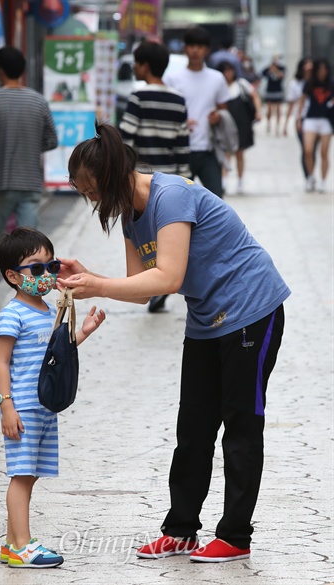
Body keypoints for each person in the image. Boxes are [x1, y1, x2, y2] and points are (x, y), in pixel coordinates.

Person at [57, 121, 291, 563]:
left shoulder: (172, 196)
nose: (90, 200)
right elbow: (144, 289)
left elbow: (169, 276)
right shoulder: (130, 213)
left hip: (251, 309)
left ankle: (236, 537)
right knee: (194, 428)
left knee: (240, 425)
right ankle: (181, 530)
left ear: (109, 178)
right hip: (207, 319)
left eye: (91, 191)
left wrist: (97, 284)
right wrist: (86, 274)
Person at [0, 227, 105, 568]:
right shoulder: (12, 314)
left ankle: (14, 544)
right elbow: (0, 361)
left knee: (31, 473)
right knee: (22, 474)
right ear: (14, 276)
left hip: (44, 406)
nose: (46, 275)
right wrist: (6, 406)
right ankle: (22, 546)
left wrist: (82, 332)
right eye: (36, 268)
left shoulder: (47, 311)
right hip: (23, 407)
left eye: (51, 266)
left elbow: (56, 356)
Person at [0, 46, 58, 310]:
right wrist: (30, 145)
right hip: (30, 183)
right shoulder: (39, 101)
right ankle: (33, 295)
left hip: (0, 183)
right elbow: (52, 140)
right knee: (31, 245)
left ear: (0, 71)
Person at [120, 40, 190, 313]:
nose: (135, 68)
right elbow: (183, 145)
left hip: (144, 180)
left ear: (144, 66)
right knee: (171, 237)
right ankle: (164, 283)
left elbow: (125, 140)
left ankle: (157, 284)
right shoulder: (177, 99)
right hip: (172, 181)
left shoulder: (138, 97)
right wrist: (185, 180)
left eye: (137, 63)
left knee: (149, 240)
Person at [163, 26, 231, 198]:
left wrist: (217, 117)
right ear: (185, 48)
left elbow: (224, 110)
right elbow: (166, 114)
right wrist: (181, 123)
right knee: (178, 202)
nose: (195, 50)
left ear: (207, 50)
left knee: (216, 201)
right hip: (180, 151)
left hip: (209, 150)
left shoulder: (217, 78)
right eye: (191, 45)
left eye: (200, 46)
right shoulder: (172, 79)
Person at [217, 61, 262, 194]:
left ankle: (240, 180)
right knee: (225, 153)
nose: (228, 74)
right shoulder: (219, 85)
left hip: (241, 123)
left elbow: (255, 95)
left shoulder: (241, 84)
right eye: (225, 71)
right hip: (225, 124)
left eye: (230, 70)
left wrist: (258, 111)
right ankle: (224, 179)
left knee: (240, 153)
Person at [297, 58, 334, 193]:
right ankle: (311, 176)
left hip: (326, 120)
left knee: (324, 152)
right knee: (308, 150)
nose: (322, 72)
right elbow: (301, 100)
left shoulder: (331, 84)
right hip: (311, 118)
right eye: (320, 70)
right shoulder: (310, 83)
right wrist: (299, 118)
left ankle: (323, 180)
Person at [283, 57, 314, 179]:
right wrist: (286, 124)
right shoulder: (295, 84)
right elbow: (291, 105)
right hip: (301, 118)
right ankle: (308, 175)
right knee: (306, 149)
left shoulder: (316, 83)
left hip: (314, 117)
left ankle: (311, 172)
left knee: (312, 150)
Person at [261, 55, 286, 135]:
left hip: (278, 90)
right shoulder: (268, 68)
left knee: (278, 109)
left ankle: (277, 127)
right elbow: (262, 74)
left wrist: (275, 70)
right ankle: (268, 124)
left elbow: (282, 76)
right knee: (269, 109)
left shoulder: (281, 68)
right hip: (270, 90)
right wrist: (270, 69)